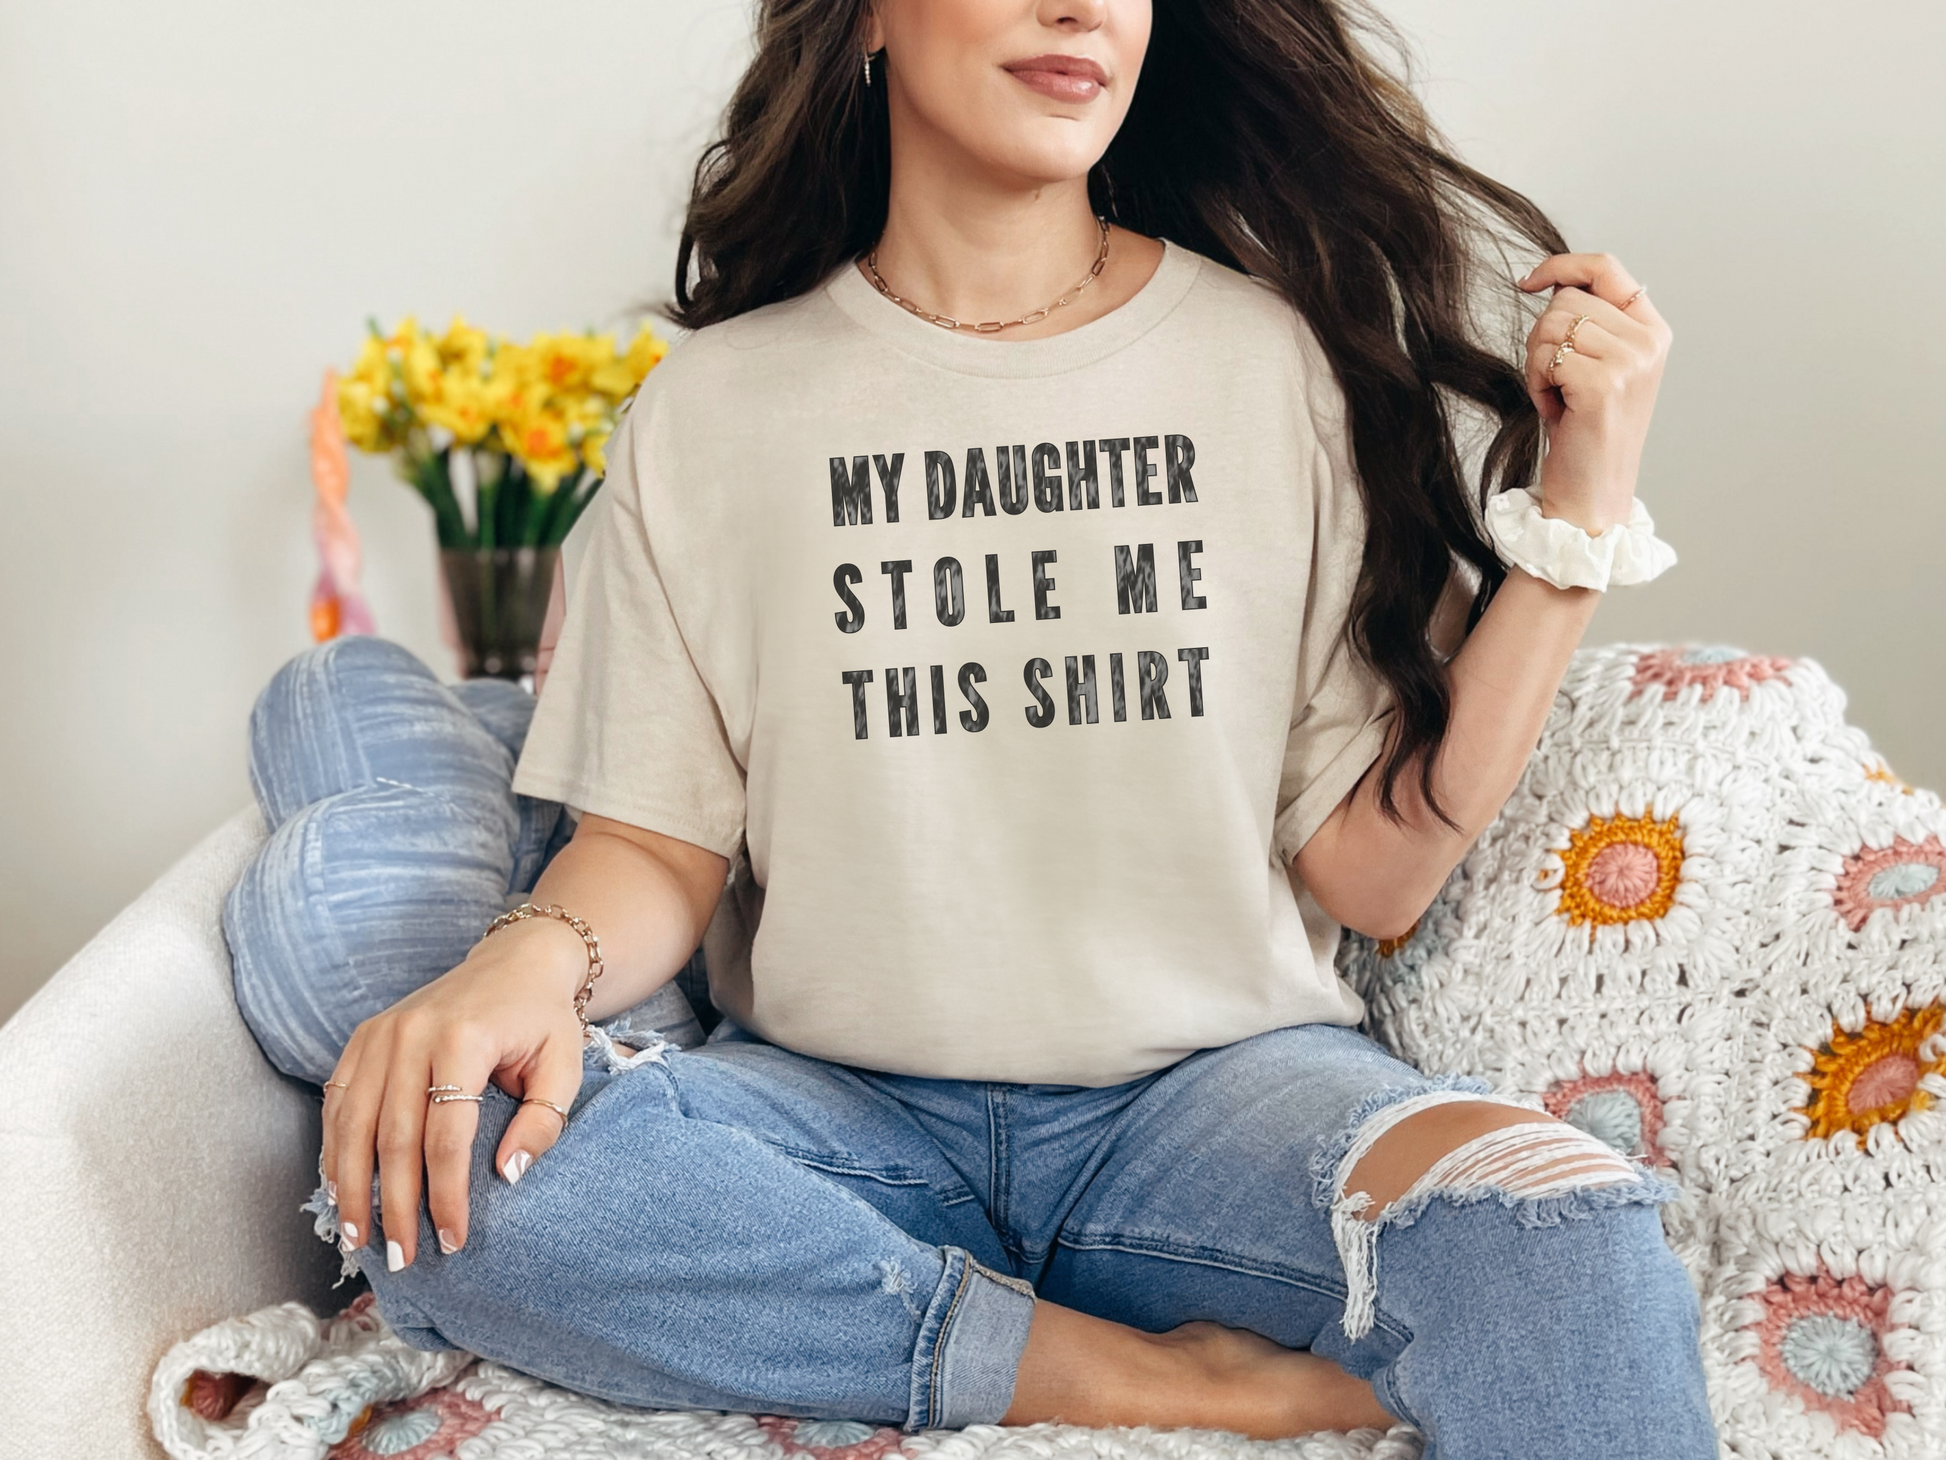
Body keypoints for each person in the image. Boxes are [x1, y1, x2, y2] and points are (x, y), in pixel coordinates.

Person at [227, 1, 1716, 1453]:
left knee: (1558, 1230)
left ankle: (980, 1343)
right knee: (444, 1178)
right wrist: (518, 965)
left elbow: (1374, 874)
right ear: (862, 22)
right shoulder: (714, 412)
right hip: (839, 1128)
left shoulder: (1270, 364)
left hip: (1217, 1111)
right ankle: (1139, 1381)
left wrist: (1574, 518)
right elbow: (657, 845)